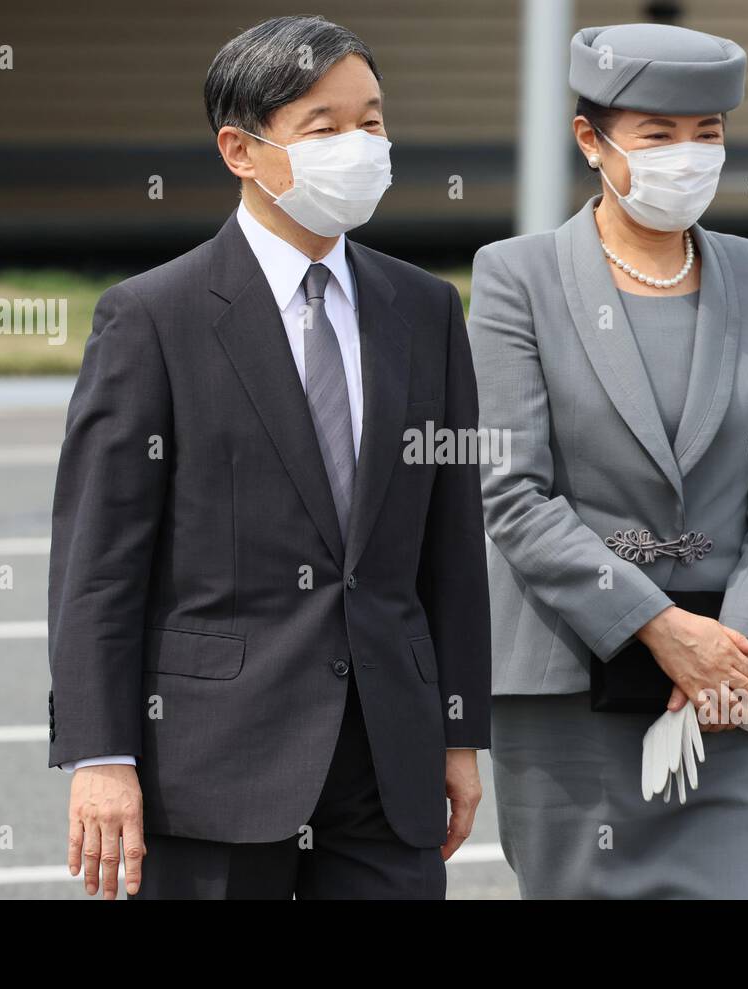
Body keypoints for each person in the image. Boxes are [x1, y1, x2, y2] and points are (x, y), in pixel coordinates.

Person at [47, 15, 490, 900]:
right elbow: (99, 562)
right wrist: (101, 755)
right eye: (324, 128)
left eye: (371, 121)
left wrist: (458, 731)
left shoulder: (426, 308)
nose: (360, 146)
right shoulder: (153, 318)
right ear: (240, 151)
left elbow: (451, 543)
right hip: (210, 764)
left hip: (387, 759)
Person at [468, 23, 748, 898]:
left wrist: (736, 645)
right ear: (592, 141)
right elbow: (512, 492)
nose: (688, 157)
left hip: (732, 686)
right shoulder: (516, 276)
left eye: (707, 134)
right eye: (658, 136)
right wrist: (663, 632)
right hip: (569, 684)